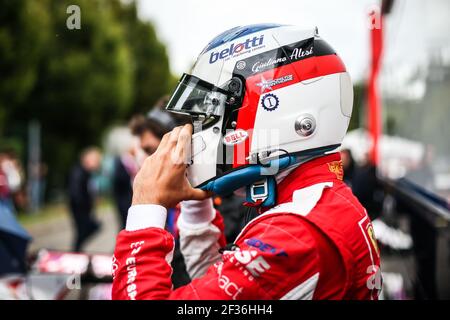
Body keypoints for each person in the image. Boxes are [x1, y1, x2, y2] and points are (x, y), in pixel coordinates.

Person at [112, 24, 381, 300]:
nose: (200, 132)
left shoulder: (299, 233)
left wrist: (145, 210)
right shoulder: (313, 205)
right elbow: (218, 284)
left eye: (217, 115)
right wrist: (195, 205)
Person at [68, 147, 102, 252]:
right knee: (84, 230)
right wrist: (84, 203)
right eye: (96, 161)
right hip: (79, 209)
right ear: (87, 160)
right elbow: (75, 192)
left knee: (84, 231)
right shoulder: (79, 172)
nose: (98, 164)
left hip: (84, 209)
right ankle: (76, 251)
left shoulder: (87, 173)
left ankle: (77, 251)